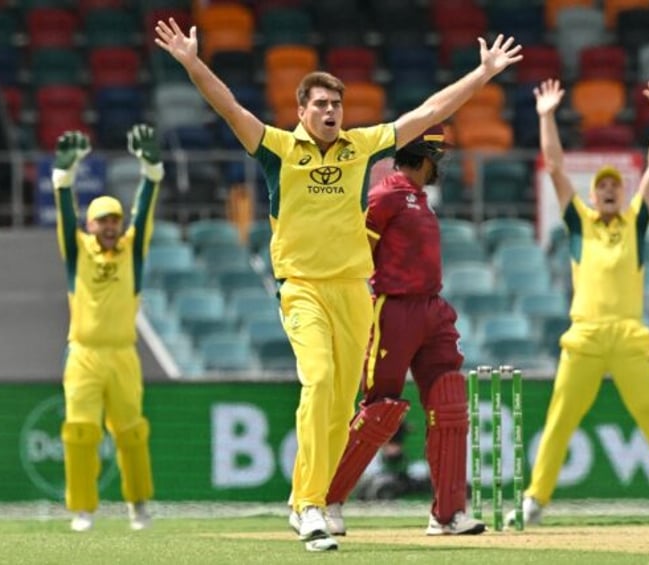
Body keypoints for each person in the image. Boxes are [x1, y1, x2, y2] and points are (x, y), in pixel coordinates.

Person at [154, 18, 521, 552]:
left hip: (354, 291)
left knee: (341, 403)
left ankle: (320, 500)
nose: (330, 113)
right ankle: (306, 505)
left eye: (336, 106)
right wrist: (192, 62)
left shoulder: (360, 146)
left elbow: (428, 114)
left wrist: (483, 73)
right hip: (302, 287)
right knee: (320, 381)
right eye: (321, 105)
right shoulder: (277, 148)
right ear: (302, 110)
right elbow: (229, 107)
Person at [505, 78, 649, 528]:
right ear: (592, 193)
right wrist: (546, 115)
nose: (607, 190)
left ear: (622, 193)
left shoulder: (635, 221)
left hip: (628, 335)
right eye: (601, 186)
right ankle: (534, 501)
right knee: (560, 419)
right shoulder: (579, 223)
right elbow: (557, 169)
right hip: (583, 335)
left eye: (614, 186)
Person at [323, 125, 485, 537]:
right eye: (438, 157)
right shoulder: (387, 194)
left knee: (449, 401)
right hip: (394, 310)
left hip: (432, 308)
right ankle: (327, 502)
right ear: (426, 156)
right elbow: (356, 248)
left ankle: (448, 514)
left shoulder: (416, 198)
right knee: (380, 409)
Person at [53, 124, 163, 532]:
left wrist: (151, 169)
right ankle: (82, 509)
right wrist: (64, 177)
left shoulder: (132, 252)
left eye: (115, 219)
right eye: (103, 221)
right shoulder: (76, 252)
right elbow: (65, 212)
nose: (111, 226)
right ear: (91, 225)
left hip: (123, 354)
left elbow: (145, 210)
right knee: (79, 432)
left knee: (132, 433)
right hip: (83, 353)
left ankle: (138, 506)